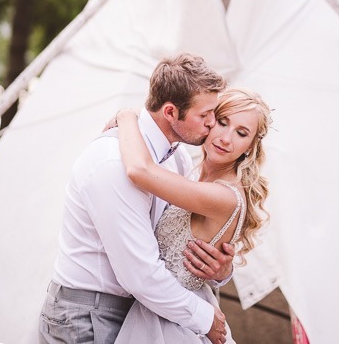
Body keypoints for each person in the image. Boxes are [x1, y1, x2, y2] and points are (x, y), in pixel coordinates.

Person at [39, 54, 234, 344]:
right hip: (86, 317)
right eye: (203, 115)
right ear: (170, 112)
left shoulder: (176, 157)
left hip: (140, 311)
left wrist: (220, 270)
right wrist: (203, 317)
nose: (211, 125)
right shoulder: (112, 163)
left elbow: (179, 243)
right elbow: (139, 273)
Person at [108, 86, 271, 344]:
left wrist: (127, 116)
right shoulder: (189, 169)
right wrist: (221, 272)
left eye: (241, 133)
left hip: (172, 325)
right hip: (162, 310)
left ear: (250, 147)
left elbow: (139, 170)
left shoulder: (223, 196)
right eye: (222, 122)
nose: (226, 138)